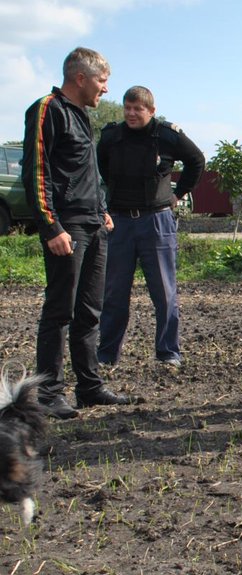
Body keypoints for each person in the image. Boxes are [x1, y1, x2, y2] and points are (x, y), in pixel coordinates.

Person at [22, 47, 131, 420]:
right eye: (102, 81)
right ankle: (49, 393)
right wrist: (51, 225)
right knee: (60, 310)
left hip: (93, 224)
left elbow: (86, 172)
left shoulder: (83, 115)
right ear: (80, 78)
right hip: (66, 227)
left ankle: (89, 386)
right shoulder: (47, 109)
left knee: (89, 310)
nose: (105, 89)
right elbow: (36, 172)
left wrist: (102, 210)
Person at [97, 86, 205, 369]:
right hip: (119, 222)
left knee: (164, 292)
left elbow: (196, 160)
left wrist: (178, 194)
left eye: (138, 109)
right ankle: (106, 355)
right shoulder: (111, 137)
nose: (131, 114)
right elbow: (102, 169)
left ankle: (168, 353)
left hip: (156, 221)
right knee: (114, 292)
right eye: (127, 108)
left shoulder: (167, 135)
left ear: (151, 111)